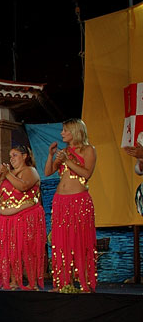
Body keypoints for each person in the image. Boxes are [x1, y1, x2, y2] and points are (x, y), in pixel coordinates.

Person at [44, 118, 97, 293]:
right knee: (60, 242)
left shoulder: (88, 150)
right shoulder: (64, 151)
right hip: (60, 201)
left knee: (80, 241)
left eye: (65, 130)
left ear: (75, 131)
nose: (62, 134)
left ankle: (84, 283)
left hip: (79, 201)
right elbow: (48, 172)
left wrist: (67, 160)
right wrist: (52, 155)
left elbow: (86, 173)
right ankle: (62, 283)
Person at [0, 145, 46, 290]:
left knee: (27, 250)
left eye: (15, 155)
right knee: (11, 251)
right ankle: (14, 281)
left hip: (25, 217)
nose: (11, 159)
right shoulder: (9, 173)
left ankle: (32, 283)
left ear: (24, 156)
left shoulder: (30, 171)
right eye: (10, 156)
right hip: (7, 220)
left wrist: (8, 173)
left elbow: (23, 186)